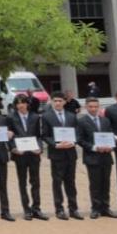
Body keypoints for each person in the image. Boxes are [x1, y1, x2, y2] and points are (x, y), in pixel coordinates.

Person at [41, 91, 82, 220]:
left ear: (64, 102)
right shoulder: (46, 116)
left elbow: (78, 133)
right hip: (56, 153)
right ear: (51, 102)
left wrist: (73, 142)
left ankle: (73, 209)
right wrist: (55, 144)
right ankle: (59, 209)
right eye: (55, 101)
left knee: (71, 182)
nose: (58, 103)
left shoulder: (72, 116)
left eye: (60, 101)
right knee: (57, 182)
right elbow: (45, 135)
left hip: (70, 152)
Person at [79, 97, 117, 219]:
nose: (93, 109)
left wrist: (111, 146)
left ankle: (105, 208)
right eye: (91, 107)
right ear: (86, 107)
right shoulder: (81, 121)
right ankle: (95, 208)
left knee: (106, 183)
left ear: (99, 107)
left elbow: (111, 135)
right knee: (95, 184)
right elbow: (80, 140)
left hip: (106, 156)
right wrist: (94, 147)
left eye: (96, 106)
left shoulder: (105, 120)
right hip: (92, 157)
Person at [8, 95, 48, 220]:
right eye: (18, 103)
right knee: (22, 182)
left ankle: (36, 208)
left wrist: (40, 148)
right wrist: (13, 148)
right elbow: (9, 136)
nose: (20, 105)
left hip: (33, 153)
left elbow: (38, 136)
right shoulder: (10, 118)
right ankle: (26, 209)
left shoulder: (35, 117)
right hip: (20, 154)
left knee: (35, 182)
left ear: (27, 104)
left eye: (23, 103)